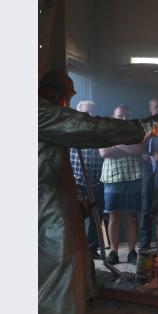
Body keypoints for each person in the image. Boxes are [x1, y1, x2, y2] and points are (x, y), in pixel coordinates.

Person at [38, 70, 158, 314]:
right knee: (60, 303)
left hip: (54, 214)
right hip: (46, 225)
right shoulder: (39, 112)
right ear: (56, 95)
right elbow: (90, 129)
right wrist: (145, 126)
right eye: (65, 97)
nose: (66, 103)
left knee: (63, 298)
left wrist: (76, 202)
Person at [99, 105, 146, 264]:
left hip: (133, 177)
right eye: (120, 116)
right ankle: (114, 252)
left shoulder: (136, 131)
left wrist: (117, 146)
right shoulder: (106, 130)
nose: (123, 118)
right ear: (114, 115)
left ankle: (132, 251)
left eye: (126, 116)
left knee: (132, 216)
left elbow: (139, 148)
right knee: (114, 217)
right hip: (112, 178)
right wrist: (127, 147)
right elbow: (104, 152)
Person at [68, 100, 105, 259]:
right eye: (86, 112)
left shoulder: (99, 133)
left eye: (92, 112)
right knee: (76, 217)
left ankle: (92, 248)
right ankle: (77, 249)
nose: (89, 115)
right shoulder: (71, 132)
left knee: (97, 217)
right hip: (77, 182)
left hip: (96, 181)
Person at [139, 97, 158, 252]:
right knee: (146, 207)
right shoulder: (145, 124)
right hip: (147, 169)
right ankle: (144, 245)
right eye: (155, 106)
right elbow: (142, 148)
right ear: (149, 108)